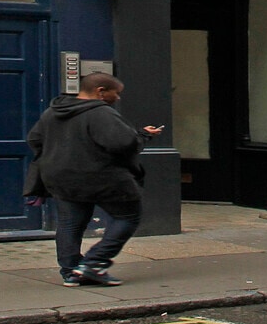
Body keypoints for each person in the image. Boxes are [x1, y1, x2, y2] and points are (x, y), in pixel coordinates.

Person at [26, 72, 164, 286]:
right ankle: (93, 263)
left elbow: (34, 139)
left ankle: (71, 271)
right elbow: (122, 144)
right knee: (127, 217)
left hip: (60, 177)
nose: (117, 98)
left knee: (70, 224)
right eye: (115, 93)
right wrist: (141, 137)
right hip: (103, 178)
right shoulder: (100, 113)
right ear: (100, 91)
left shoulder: (53, 112)